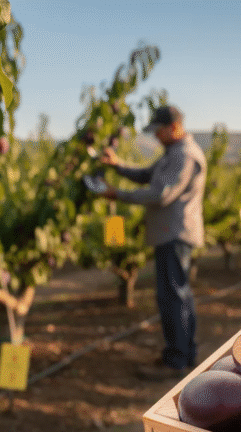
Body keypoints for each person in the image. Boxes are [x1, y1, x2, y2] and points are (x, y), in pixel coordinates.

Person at [96, 105, 207, 380]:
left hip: (175, 234)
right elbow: (148, 175)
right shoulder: (173, 154)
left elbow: (161, 194)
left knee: (172, 297)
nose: (156, 137)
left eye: (158, 131)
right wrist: (118, 167)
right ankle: (186, 353)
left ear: (174, 127)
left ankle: (176, 360)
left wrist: (116, 194)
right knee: (178, 294)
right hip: (171, 233)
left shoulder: (185, 156)